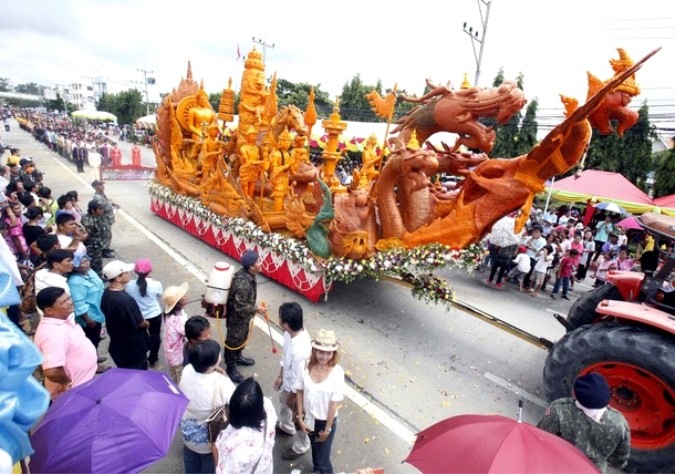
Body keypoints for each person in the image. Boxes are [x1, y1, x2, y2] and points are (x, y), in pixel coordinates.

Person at [538, 373, 630, 472]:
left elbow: (540, 436)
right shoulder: (619, 424)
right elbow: (619, 460)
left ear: (577, 393)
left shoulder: (560, 409)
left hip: (559, 466)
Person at [179, 340, 236, 474]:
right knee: (209, 466)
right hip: (210, 438)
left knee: (191, 461)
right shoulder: (221, 383)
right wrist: (224, 375)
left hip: (188, 433)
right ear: (214, 362)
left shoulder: (187, 370)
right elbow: (235, 400)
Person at [295, 329, 345, 474]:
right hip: (309, 418)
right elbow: (299, 391)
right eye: (321, 352)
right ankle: (317, 470)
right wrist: (300, 417)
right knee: (315, 450)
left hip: (325, 422)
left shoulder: (337, 372)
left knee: (324, 460)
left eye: (328, 353)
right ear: (314, 350)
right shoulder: (304, 366)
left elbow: (333, 404)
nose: (324, 356)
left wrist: (327, 429)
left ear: (333, 354)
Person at [34, 287, 97, 400]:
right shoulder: (52, 334)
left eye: (68, 298)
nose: (70, 302)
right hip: (77, 392)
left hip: (85, 383)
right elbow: (52, 371)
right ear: (49, 310)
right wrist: (68, 382)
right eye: (63, 302)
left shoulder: (63, 320)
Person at [274, 302, 313, 461]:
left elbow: (300, 380)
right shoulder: (288, 334)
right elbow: (285, 358)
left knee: (298, 418)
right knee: (283, 405)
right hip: (287, 385)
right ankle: (286, 427)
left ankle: (302, 445)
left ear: (286, 324)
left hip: (296, 391)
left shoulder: (302, 350)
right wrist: (281, 376)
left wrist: (292, 396)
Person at [214, 377, 277, 474]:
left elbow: (224, 471)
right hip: (263, 466)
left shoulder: (234, 446)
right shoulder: (267, 405)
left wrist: (214, 449)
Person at [100, 260, 150, 370]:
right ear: (118, 278)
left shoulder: (107, 292)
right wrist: (147, 323)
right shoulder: (125, 300)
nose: (129, 274)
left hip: (118, 344)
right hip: (132, 349)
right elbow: (140, 323)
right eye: (126, 272)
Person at [224, 249, 265, 383]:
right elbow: (239, 306)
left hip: (244, 318)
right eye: (258, 261)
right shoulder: (242, 283)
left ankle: (238, 356)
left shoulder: (249, 275)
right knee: (233, 341)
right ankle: (231, 367)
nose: (261, 262)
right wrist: (257, 309)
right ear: (252, 267)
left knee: (242, 338)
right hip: (236, 319)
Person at [67, 254, 108, 370]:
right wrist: (88, 320)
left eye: (87, 261)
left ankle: (94, 357)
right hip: (90, 318)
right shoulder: (75, 282)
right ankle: (93, 365)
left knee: (95, 339)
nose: (86, 264)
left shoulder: (90, 272)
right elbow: (79, 303)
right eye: (82, 263)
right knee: (90, 341)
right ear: (75, 267)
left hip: (98, 312)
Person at [125, 259, 164, 368]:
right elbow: (160, 295)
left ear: (135, 272)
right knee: (155, 336)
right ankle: (153, 358)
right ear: (150, 271)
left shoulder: (130, 285)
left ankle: (141, 357)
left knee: (139, 337)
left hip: (138, 316)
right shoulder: (156, 284)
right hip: (154, 315)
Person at [162, 282, 190, 383]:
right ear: (178, 303)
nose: (187, 297)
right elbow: (188, 331)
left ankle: (173, 388)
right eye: (184, 296)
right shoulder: (178, 320)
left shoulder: (168, 313)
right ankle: (180, 391)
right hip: (177, 354)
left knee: (173, 373)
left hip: (169, 352)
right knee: (181, 375)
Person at [80, 200, 107, 275]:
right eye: (100, 209)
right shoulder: (88, 220)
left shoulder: (99, 217)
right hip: (91, 247)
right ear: (93, 210)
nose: (102, 210)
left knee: (98, 263)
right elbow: (85, 233)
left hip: (97, 246)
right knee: (93, 265)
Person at [91, 180, 117, 258]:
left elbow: (107, 202)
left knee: (107, 234)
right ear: (95, 187)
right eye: (100, 185)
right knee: (106, 235)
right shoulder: (97, 197)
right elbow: (102, 208)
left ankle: (106, 248)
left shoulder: (102, 194)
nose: (102, 186)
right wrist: (110, 206)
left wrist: (113, 203)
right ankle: (103, 251)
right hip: (103, 219)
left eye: (102, 184)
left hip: (108, 218)